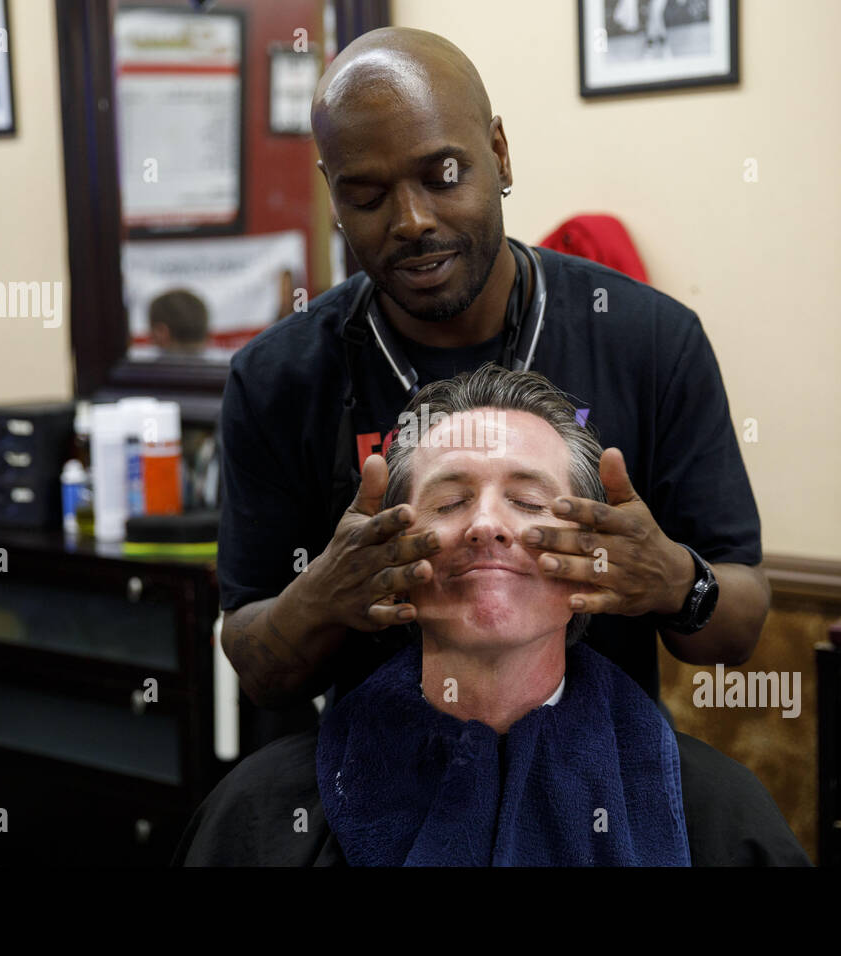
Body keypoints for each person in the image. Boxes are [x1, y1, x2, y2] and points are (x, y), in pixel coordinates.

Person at [218, 26, 770, 717]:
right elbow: (258, 669)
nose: (411, 220)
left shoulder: (652, 342)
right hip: (377, 790)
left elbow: (737, 629)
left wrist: (675, 582)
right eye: (366, 196)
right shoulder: (278, 379)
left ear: (500, 155)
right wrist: (323, 596)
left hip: (597, 797)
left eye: (442, 176)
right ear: (332, 198)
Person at [177, 368, 809, 866]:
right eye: (450, 500)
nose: (485, 526)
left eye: (529, 500)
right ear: (387, 559)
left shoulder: (715, 815)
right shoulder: (263, 812)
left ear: (598, 559)